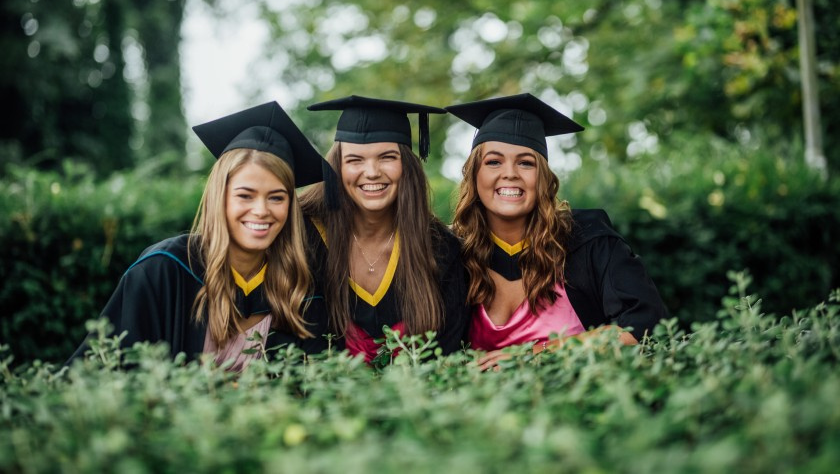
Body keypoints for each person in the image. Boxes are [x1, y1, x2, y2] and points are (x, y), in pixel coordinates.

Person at [69, 101, 332, 370]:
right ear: (220, 197)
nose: (261, 210)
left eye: (277, 197)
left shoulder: (298, 286)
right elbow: (105, 371)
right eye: (245, 195)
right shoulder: (164, 269)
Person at [447, 93, 668, 370]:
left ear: (543, 177)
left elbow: (646, 328)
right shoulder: (452, 253)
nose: (510, 173)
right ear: (474, 174)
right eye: (494, 162)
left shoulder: (587, 239)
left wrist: (532, 355)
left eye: (526, 162)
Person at [300, 95, 469, 364]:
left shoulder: (440, 249)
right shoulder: (303, 235)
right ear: (337, 167)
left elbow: (448, 353)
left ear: (407, 165)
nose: (372, 172)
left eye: (387, 157)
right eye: (355, 160)